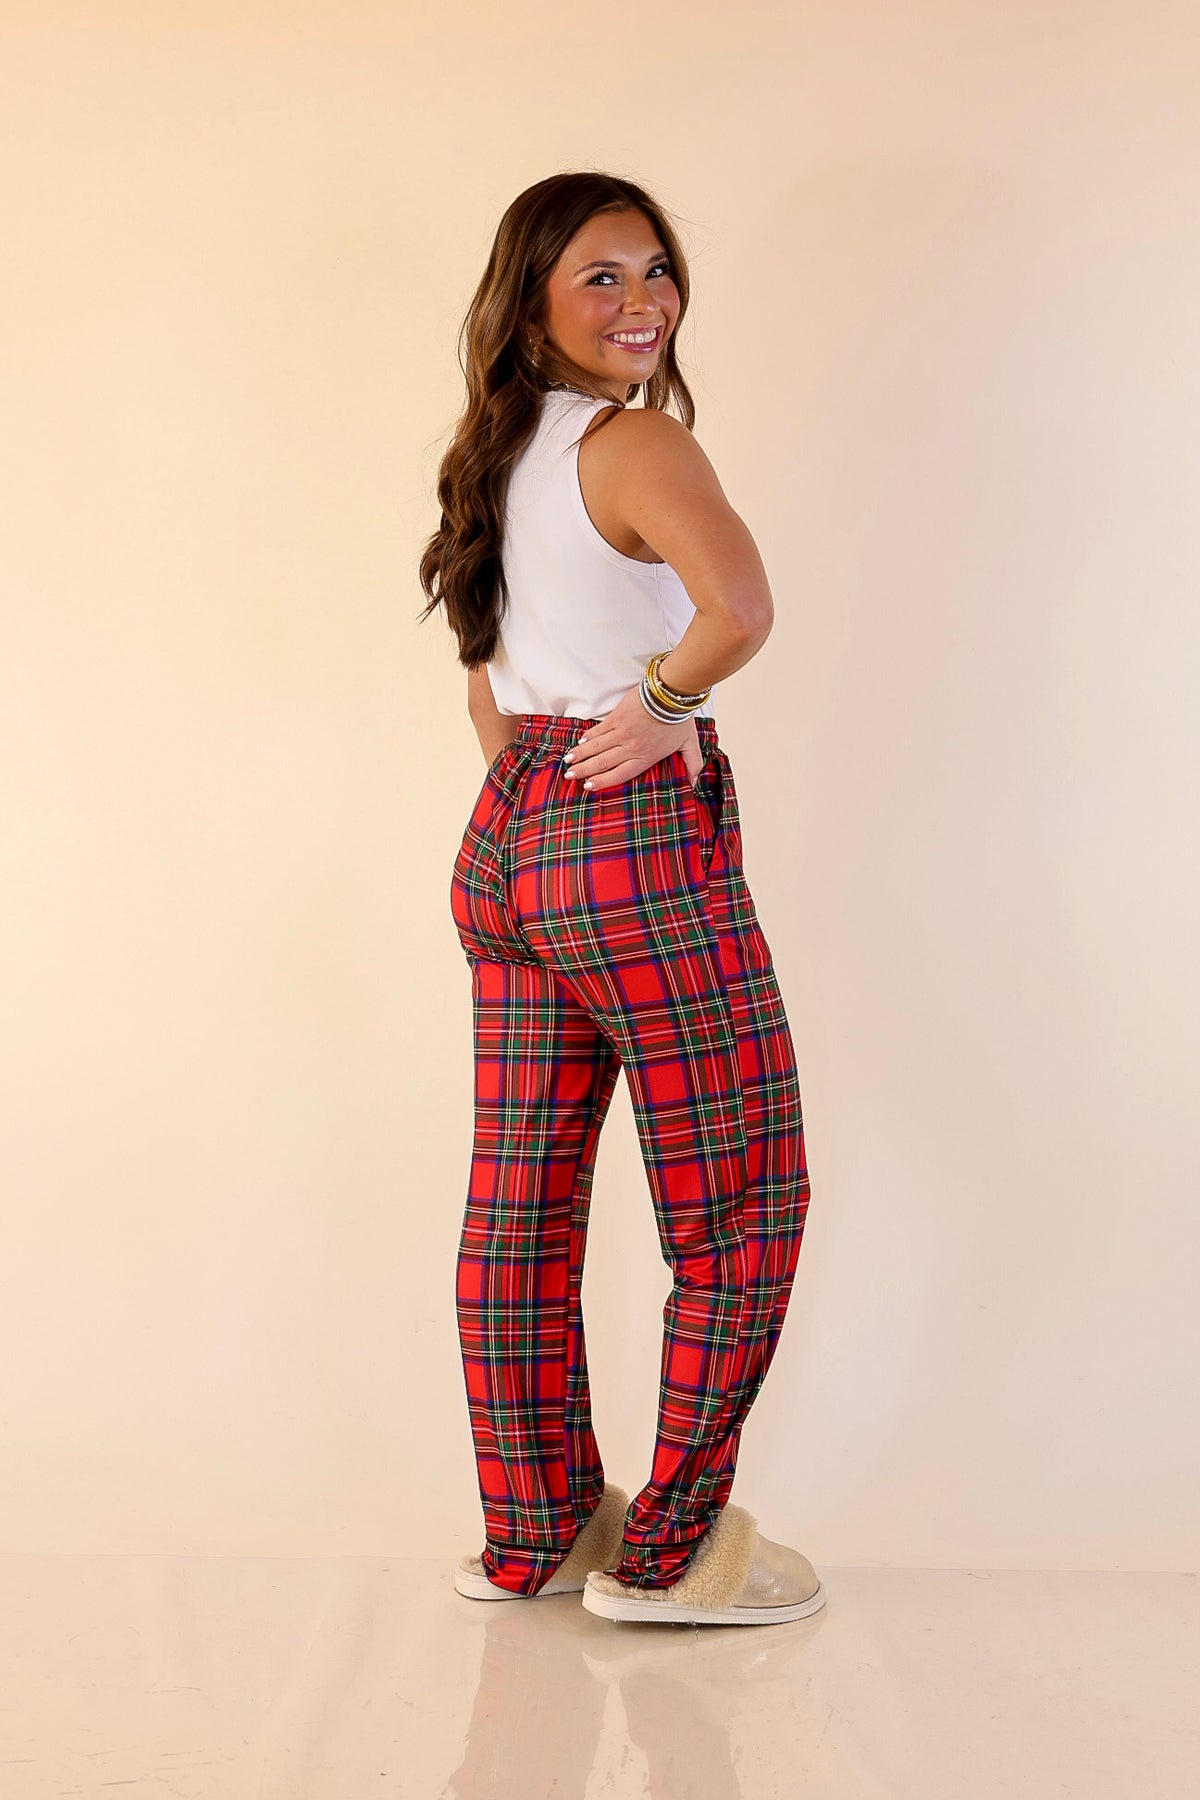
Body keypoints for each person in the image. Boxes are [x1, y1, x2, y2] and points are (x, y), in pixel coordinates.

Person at [418, 171, 825, 1628]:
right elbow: (740, 612)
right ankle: (673, 1554)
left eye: (656, 268)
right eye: (601, 274)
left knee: (520, 1203)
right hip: (627, 842)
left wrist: (546, 812)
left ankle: (534, 1531)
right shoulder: (632, 442)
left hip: (509, 838)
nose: (643, 298)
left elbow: (488, 687)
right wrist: (658, 708)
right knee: (740, 1195)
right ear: (529, 296)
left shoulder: (492, 456)